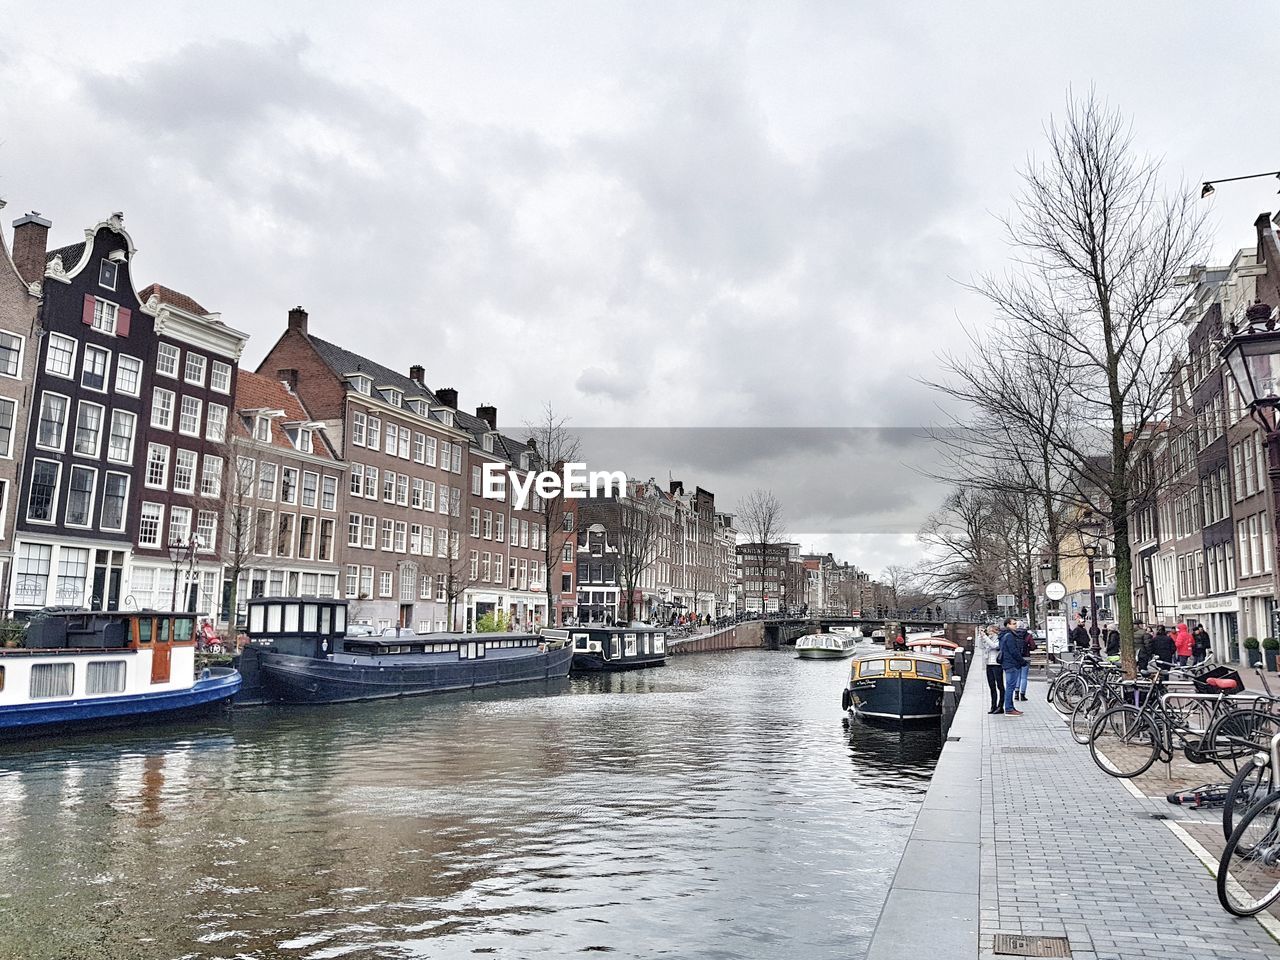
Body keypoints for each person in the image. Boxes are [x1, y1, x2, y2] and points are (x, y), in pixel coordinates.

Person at [998, 618, 1026, 717]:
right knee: (1010, 687)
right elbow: (1013, 651)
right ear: (1008, 625)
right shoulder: (1009, 636)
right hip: (1011, 664)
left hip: (1007, 663)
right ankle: (1009, 709)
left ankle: (1010, 707)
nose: (1016, 626)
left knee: (1010, 686)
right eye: (1013, 624)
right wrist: (1022, 661)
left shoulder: (1003, 635)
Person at [982, 625, 1004, 715]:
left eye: (990, 631)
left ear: (994, 631)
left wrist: (985, 637)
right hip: (989, 664)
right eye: (987, 631)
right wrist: (981, 637)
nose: (988, 633)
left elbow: (994, 646)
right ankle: (993, 705)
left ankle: (1000, 706)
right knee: (992, 686)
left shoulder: (999, 638)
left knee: (1000, 685)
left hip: (997, 664)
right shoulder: (988, 638)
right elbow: (981, 646)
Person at [1016, 629, 1036, 701]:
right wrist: (1028, 648)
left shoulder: (1014, 634)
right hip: (1026, 657)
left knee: (1017, 676)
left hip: (1017, 658)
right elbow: (1033, 646)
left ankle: (1016, 694)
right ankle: (1022, 695)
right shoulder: (1028, 635)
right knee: (1024, 677)